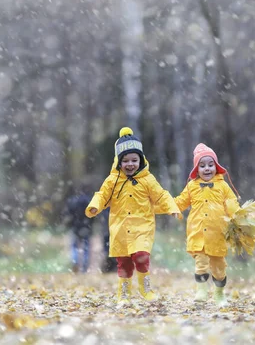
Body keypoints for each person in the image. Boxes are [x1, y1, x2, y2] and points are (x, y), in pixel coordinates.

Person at [86, 127, 181, 303]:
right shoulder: (112, 181)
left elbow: (161, 194)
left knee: (141, 256)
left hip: (142, 226)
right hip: (120, 227)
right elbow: (102, 195)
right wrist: (95, 206)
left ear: (141, 160)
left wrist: (172, 207)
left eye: (134, 160)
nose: (130, 164)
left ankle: (145, 290)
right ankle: (124, 293)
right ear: (118, 162)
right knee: (124, 263)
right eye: (126, 161)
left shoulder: (147, 179)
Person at [174, 143, 241, 306]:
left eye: (210, 165)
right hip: (198, 233)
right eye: (202, 165)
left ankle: (219, 293)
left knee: (219, 268)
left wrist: (237, 218)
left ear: (216, 167)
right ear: (196, 169)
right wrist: (170, 207)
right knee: (201, 263)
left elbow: (231, 203)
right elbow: (181, 201)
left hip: (218, 234)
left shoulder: (223, 186)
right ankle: (201, 290)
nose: (207, 169)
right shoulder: (191, 186)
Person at [65, 190, 93, 273]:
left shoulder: (72, 200)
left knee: (74, 246)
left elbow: (68, 214)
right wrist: (90, 224)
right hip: (86, 226)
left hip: (75, 227)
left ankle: (75, 261)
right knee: (86, 248)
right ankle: (84, 266)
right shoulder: (89, 201)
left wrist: (71, 224)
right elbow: (93, 214)